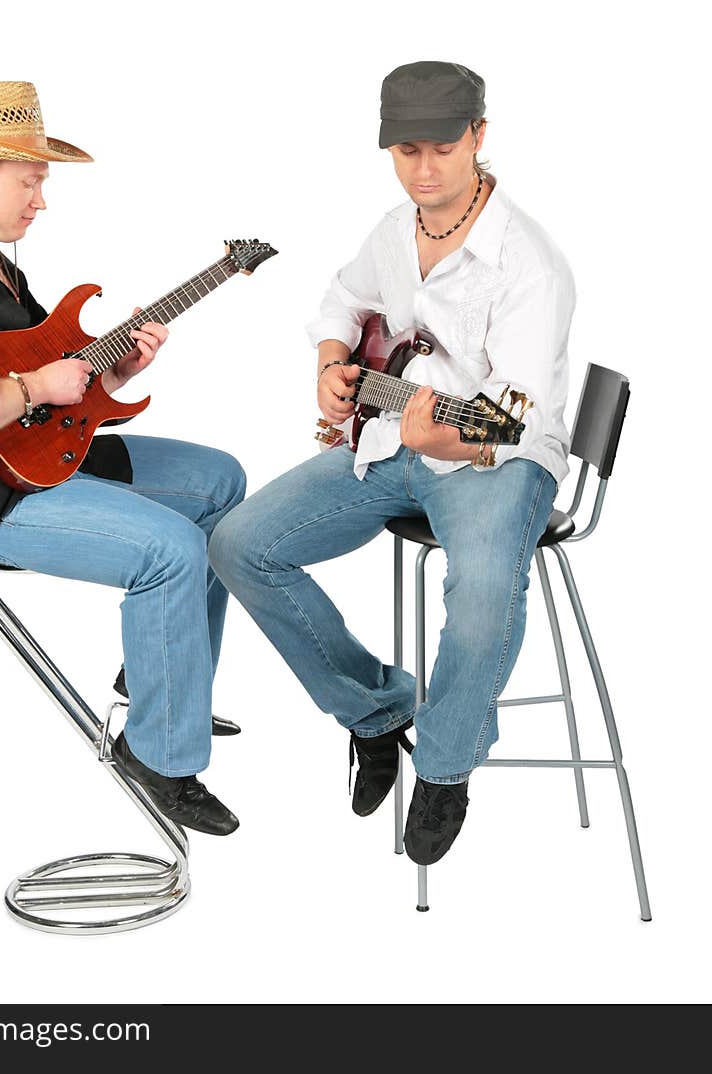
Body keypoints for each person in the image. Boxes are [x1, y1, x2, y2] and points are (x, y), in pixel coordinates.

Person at [209, 61, 575, 864]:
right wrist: (334, 367)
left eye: (442, 147)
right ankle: (376, 711)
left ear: (479, 136)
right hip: (391, 441)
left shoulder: (529, 265)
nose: (424, 168)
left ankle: (444, 767)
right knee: (239, 545)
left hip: (493, 460)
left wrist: (429, 434)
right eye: (405, 150)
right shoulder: (393, 229)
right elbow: (340, 301)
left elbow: (506, 419)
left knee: (480, 594)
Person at [0, 81, 244, 835]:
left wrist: (115, 374)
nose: (41, 199)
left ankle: (162, 684)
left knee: (221, 481)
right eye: (30, 180)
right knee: (173, 547)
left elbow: (63, 397)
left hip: (47, 460)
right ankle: (161, 755)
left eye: (42, 182)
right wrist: (30, 382)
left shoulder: (2, 274)